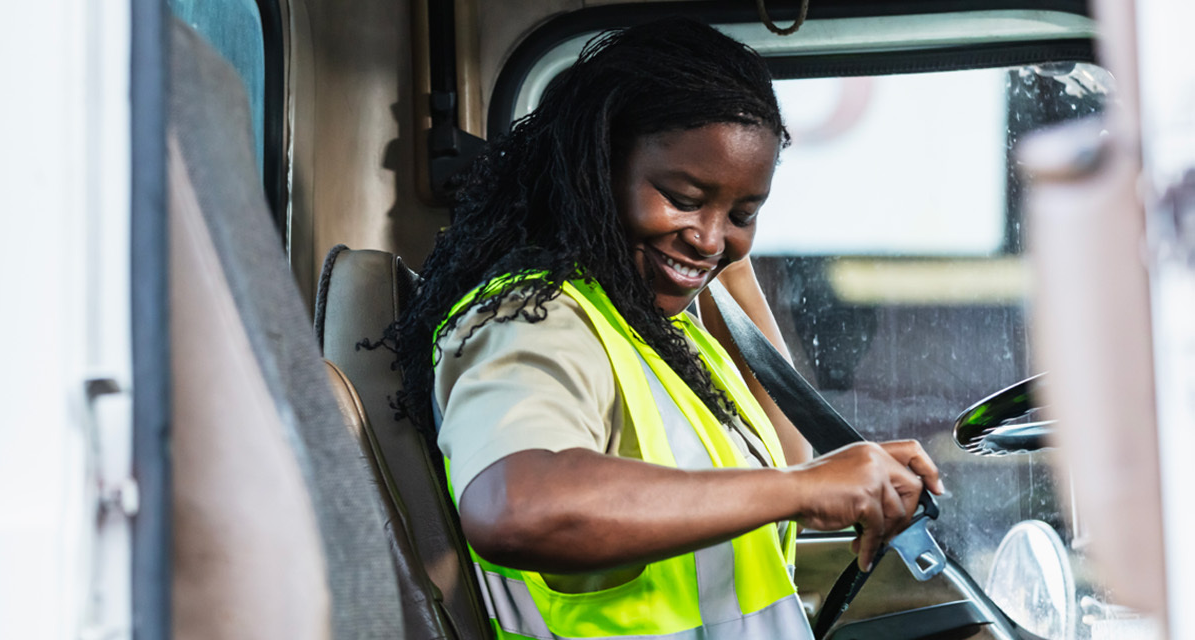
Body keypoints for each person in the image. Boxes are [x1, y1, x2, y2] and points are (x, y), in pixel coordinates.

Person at [383, 17, 944, 639]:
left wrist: (727, 262)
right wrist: (803, 488)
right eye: (682, 197)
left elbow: (783, 461)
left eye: (743, 211)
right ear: (596, 171)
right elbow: (516, 508)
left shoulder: (653, 324)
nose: (709, 236)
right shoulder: (533, 319)